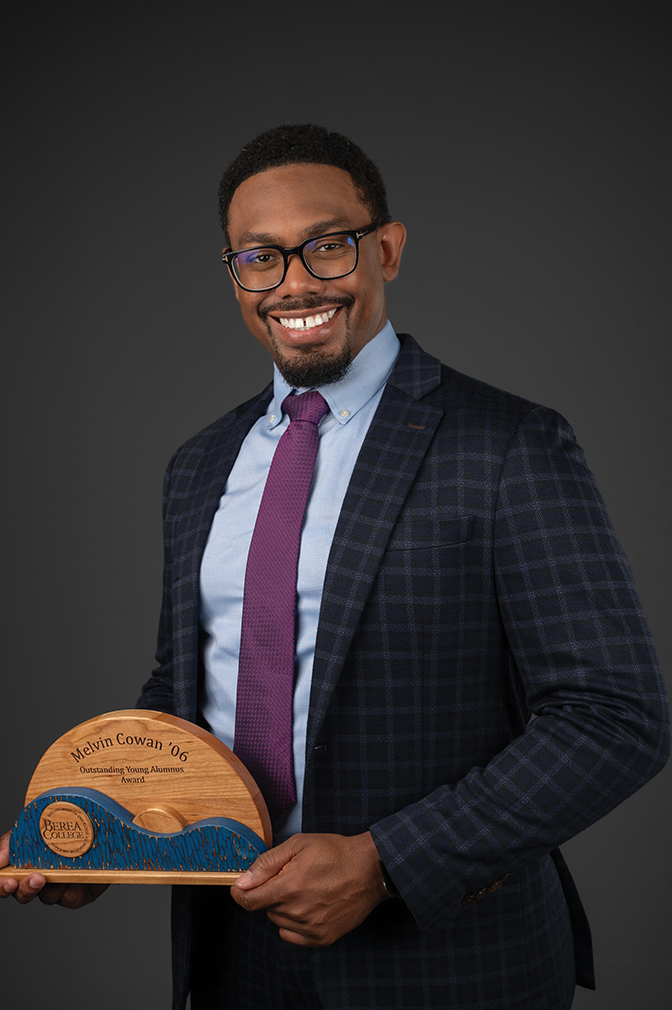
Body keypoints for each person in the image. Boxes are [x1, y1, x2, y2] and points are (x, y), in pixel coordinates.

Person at [1, 123, 669, 1010]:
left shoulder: (508, 445)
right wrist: (106, 837)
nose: (295, 284)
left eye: (327, 246)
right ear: (235, 276)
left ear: (385, 249)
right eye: (260, 258)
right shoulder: (199, 467)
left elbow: (615, 716)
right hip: (233, 952)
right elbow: (187, 688)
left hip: (447, 964)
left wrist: (387, 863)